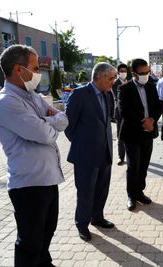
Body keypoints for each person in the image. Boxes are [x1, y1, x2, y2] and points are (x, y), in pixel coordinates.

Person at [0, 44, 68, 267]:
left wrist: (46, 121)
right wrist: (48, 122)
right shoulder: (6, 102)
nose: (38, 74)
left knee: (46, 234)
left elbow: (63, 119)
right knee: (30, 243)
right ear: (18, 69)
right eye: (35, 68)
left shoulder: (31, 95)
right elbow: (44, 134)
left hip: (48, 178)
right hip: (29, 183)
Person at [65, 62, 116, 241]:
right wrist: (82, 144)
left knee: (102, 189)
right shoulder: (79, 94)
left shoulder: (108, 95)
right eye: (110, 78)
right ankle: (82, 224)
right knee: (85, 192)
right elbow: (68, 125)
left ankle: (97, 217)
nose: (113, 81)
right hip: (85, 154)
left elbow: (106, 122)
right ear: (99, 77)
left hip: (105, 152)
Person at [118, 58, 162, 211]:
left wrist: (152, 120)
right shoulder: (125, 89)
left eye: (147, 72)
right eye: (142, 73)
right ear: (134, 73)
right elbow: (124, 111)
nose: (145, 75)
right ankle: (131, 195)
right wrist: (143, 122)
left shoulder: (151, 87)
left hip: (148, 133)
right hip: (132, 133)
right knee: (133, 166)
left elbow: (158, 107)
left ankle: (139, 192)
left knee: (144, 164)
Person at [112, 63, 129, 166]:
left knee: (129, 136)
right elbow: (118, 98)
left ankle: (130, 155)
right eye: (121, 71)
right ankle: (121, 157)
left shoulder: (129, 82)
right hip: (120, 113)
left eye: (125, 71)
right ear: (118, 72)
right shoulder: (115, 84)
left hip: (129, 114)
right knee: (120, 136)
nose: (123, 73)